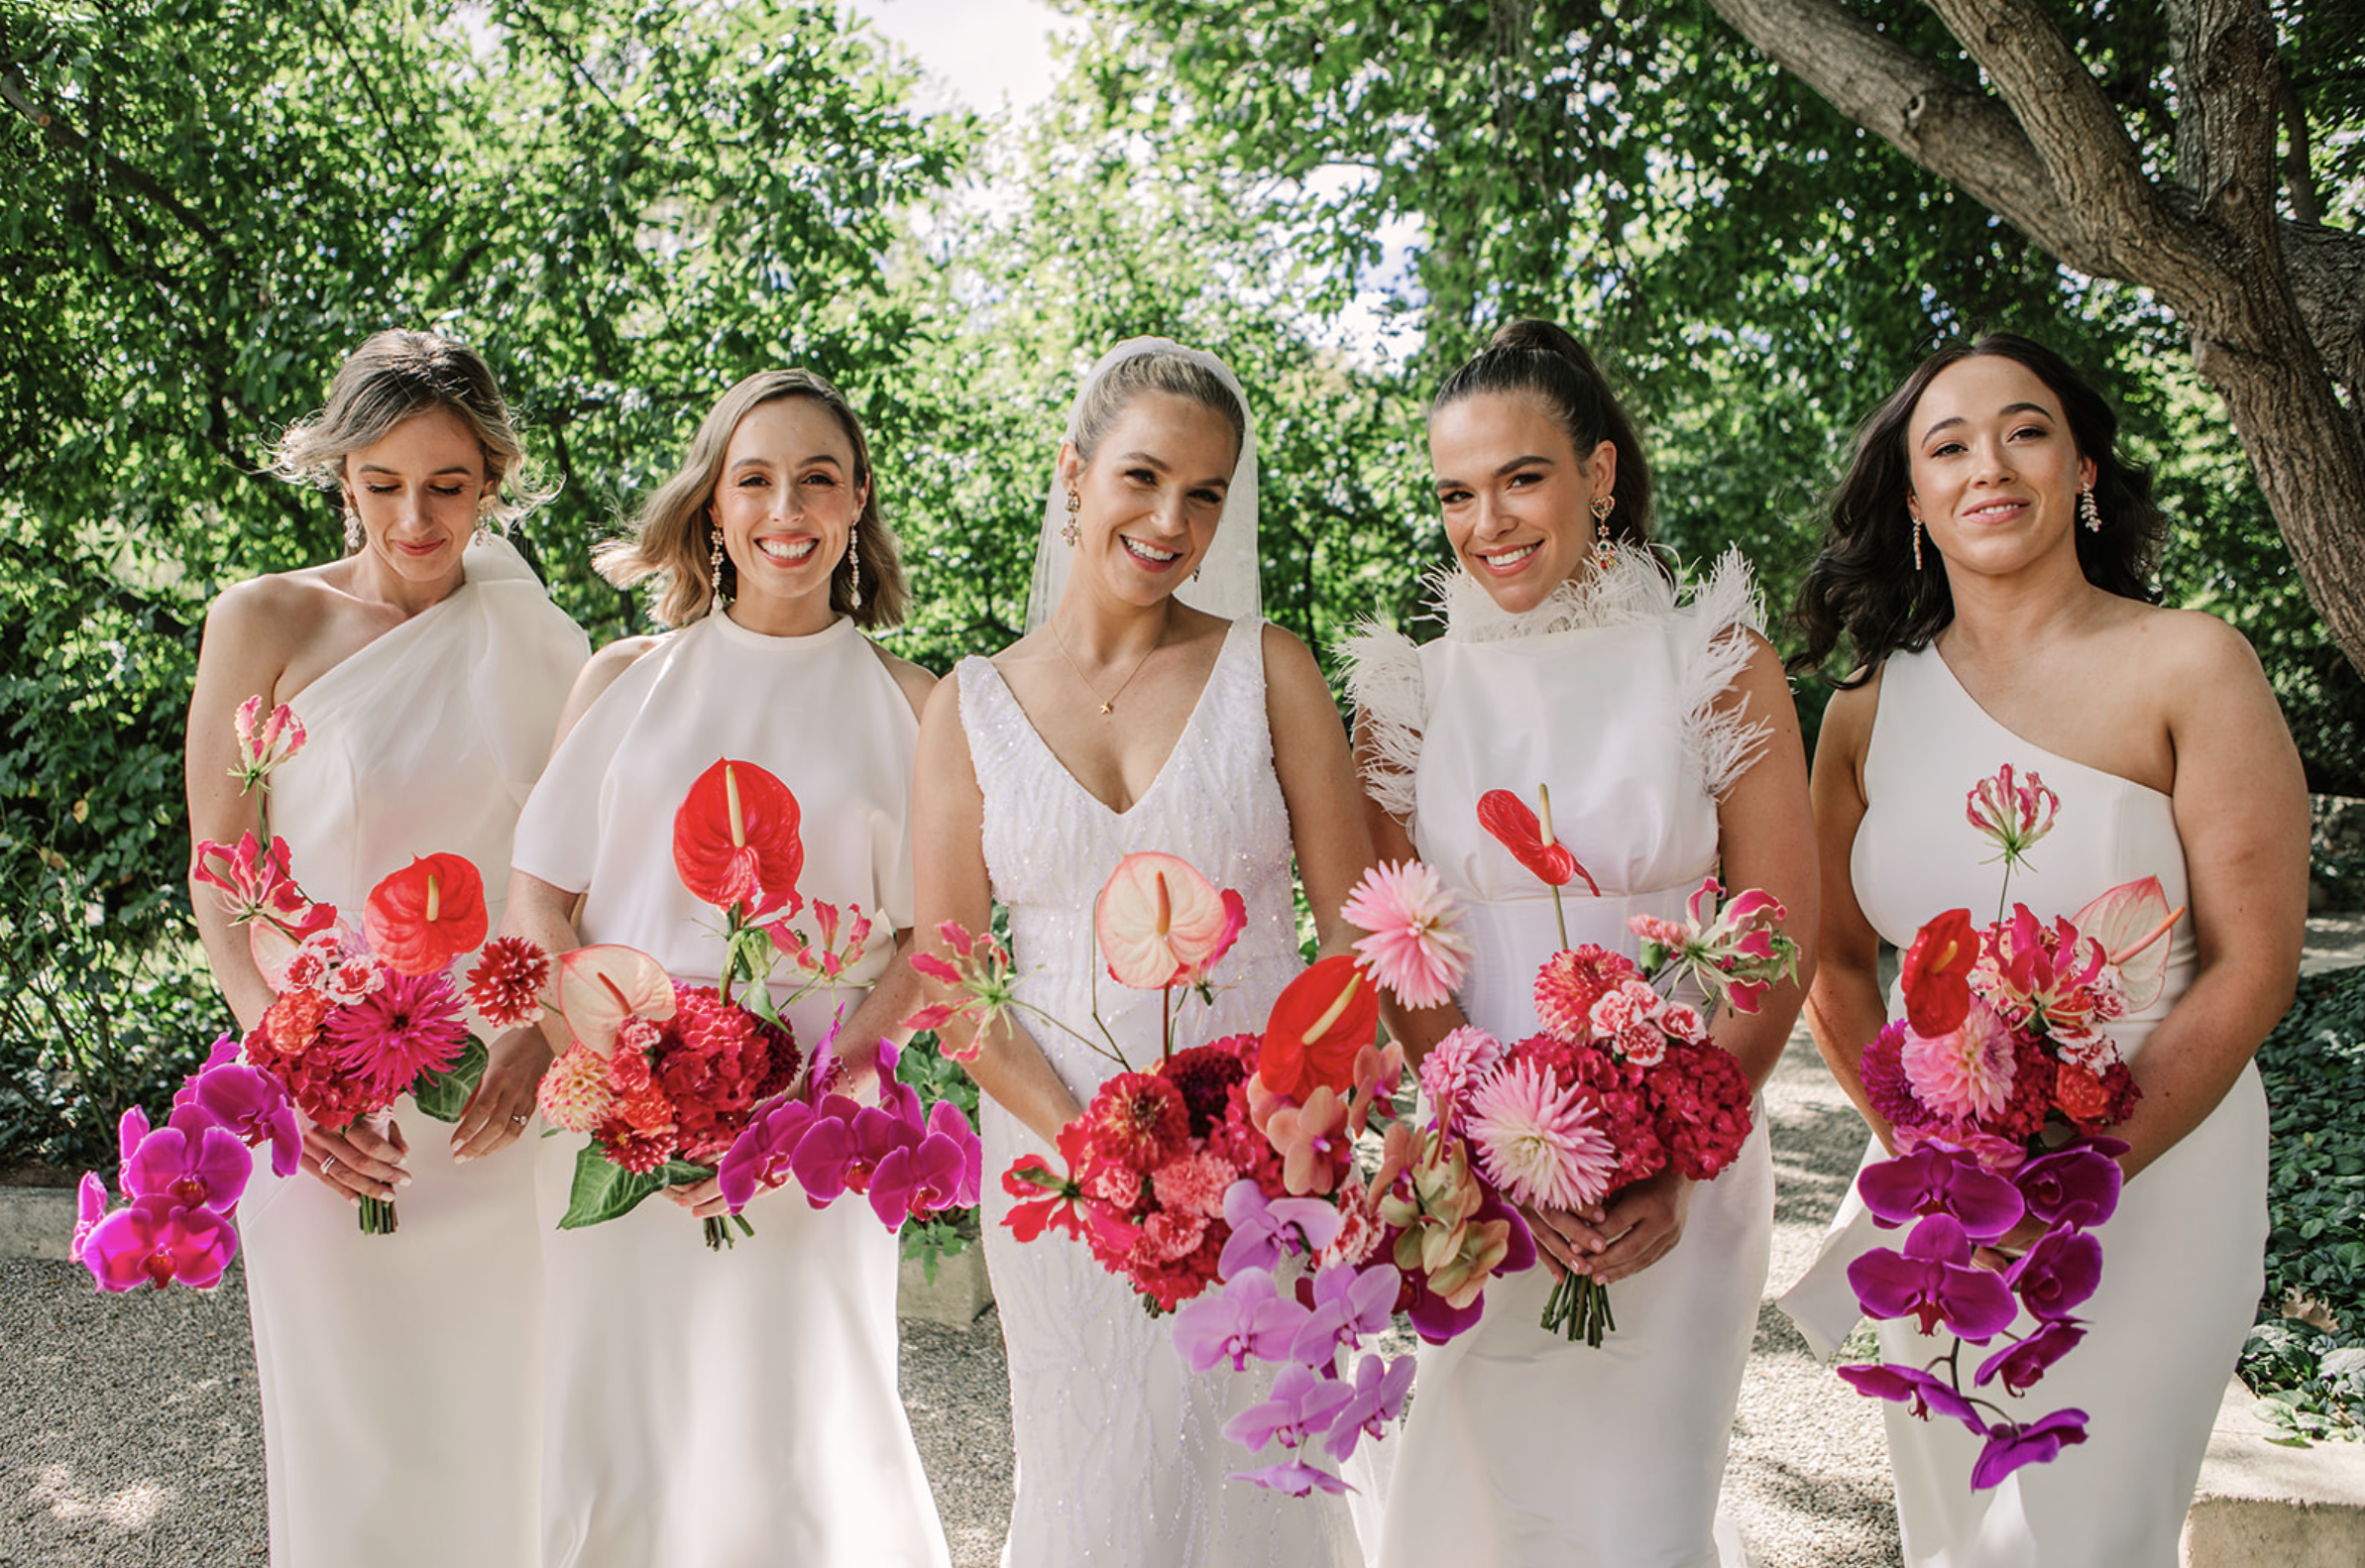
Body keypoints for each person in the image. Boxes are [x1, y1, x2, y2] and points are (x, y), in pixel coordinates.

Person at [1780, 332, 2308, 1565]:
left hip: (2158, 1173)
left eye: (2023, 430)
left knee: (2073, 1535)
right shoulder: (1864, 706)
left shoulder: (2192, 662)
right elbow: (1834, 960)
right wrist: (1934, 1158)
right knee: (1959, 1538)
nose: (1988, 465)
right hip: (1948, 1205)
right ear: (1910, 503)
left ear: (2078, 467)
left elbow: (2251, 962)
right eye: (1945, 445)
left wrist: (2076, 1174)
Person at [1341, 318, 1818, 1568]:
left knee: (1637, 1522)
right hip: (1477, 1189)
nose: (1486, 520)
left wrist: (1678, 1149)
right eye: (1455, 493)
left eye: (1520, 478)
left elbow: (1778, 928)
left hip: (1684, 1178)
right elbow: (1397, 950)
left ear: (1599, 475)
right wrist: (1498, 1148)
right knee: (1474, 1509)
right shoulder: (1408, 691)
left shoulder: (1714, 660)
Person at [911, 339, 1373, 1566]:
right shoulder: (970, 703)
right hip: (1067, 1169)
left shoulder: (1267, 670)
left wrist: (1291, 1133)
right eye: (1143, 477)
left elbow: (1356, 936)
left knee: (1257, 1481)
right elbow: (956, 982)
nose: (1172, 519)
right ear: (1073, 474)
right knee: (1091, 1479)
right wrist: (1101, 1159)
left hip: (1261, 1157)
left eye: (1207, 492)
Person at [499, 368, 948, 1568]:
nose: (785, 505)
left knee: (801, 1434)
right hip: (616, 1135)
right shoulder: (623, 678)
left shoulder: (916, 707)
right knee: (620, 1436)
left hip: (815, 1138)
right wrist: (620, 1080)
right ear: (713, 506)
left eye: (817, 478)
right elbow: (540, 889)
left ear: (857, 503)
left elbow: (938, 939)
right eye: (754, 477)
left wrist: (803, 1104)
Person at [183, 329, 590, 1566]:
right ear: (341, 473)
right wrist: (294, 1076)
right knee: (354, 1443)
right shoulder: (262, 619)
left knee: (511, 1428)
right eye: (383, 483)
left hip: (496, 1104)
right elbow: (223, 872)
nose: (415, 516)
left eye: (449, 486)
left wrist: (534, 1040)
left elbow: (576, 875)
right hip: (323, 1105)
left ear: (492, 481)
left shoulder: (544, 643)